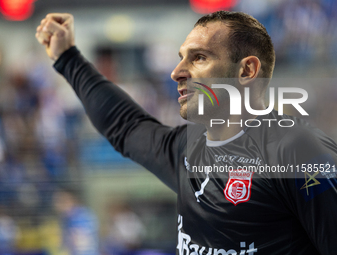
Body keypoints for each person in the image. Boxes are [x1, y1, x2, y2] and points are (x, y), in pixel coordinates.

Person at [35, 11, 337, 254]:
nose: (177, 71)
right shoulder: (188, 150)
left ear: (246, 71)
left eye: (199, 58)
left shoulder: (298, 152)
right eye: (181, 57)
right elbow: (124, 125)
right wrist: (67, 58)